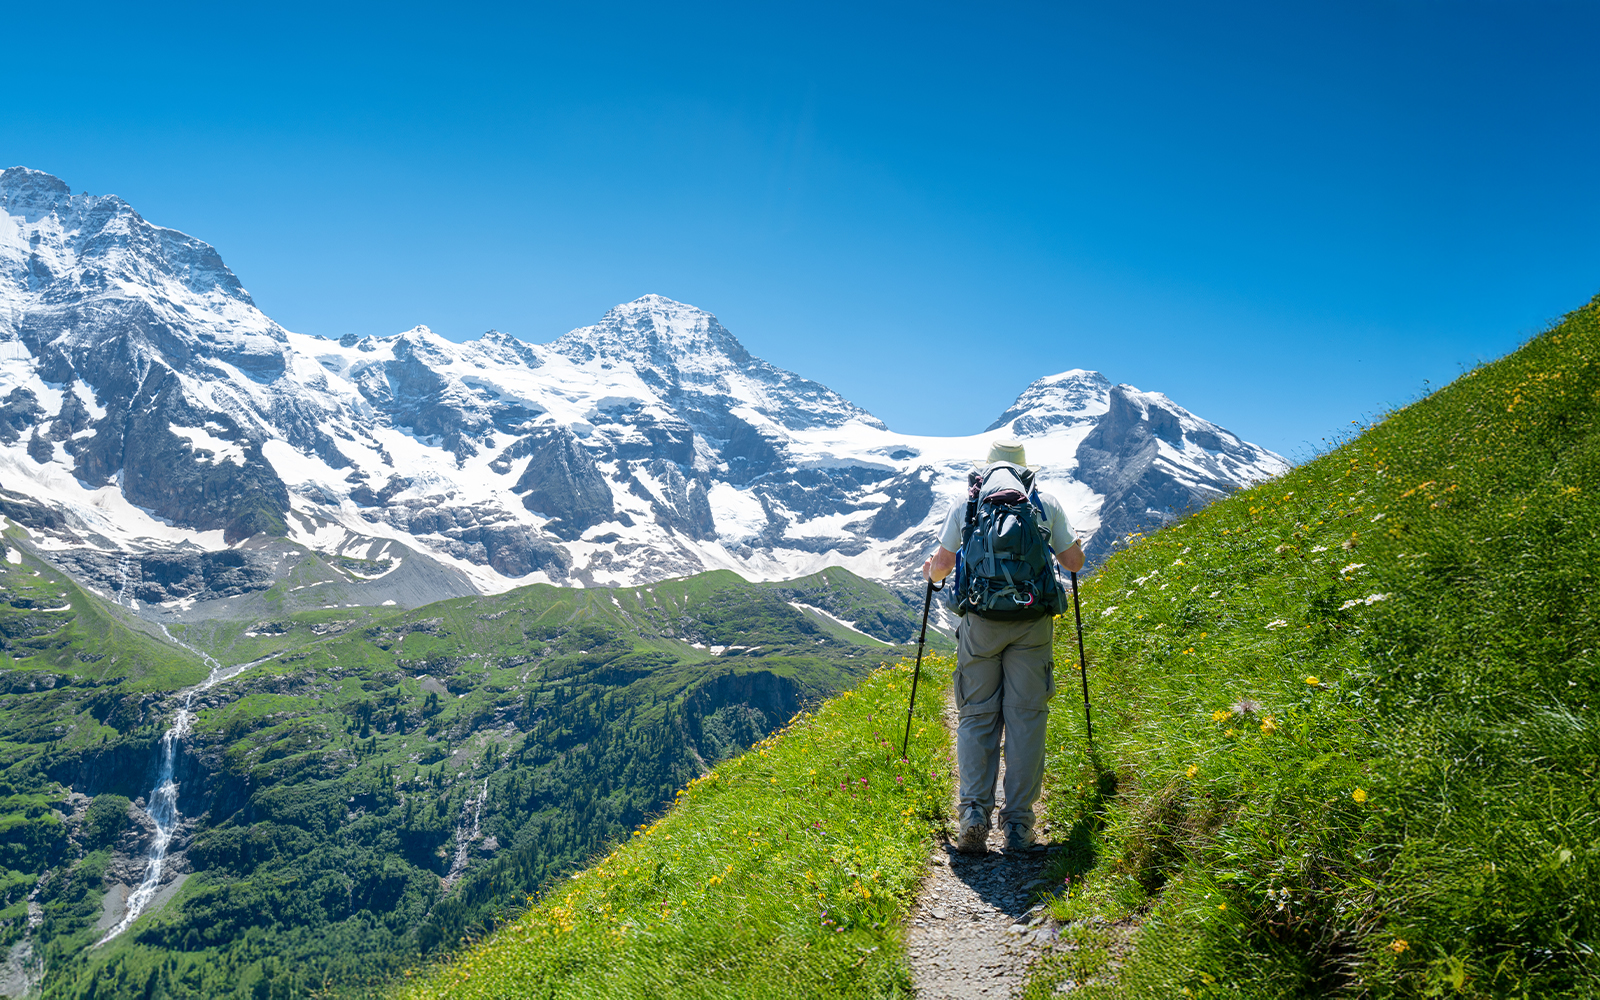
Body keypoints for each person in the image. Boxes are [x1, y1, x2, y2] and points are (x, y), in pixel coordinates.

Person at [922, 439, 1084, 853]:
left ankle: (973, 814)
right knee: (1027, 719)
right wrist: (1073, 544)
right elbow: (1073, 563)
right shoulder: (1044, 504)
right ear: (1024, 470)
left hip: (982, 623)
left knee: (976, 715)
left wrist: (930, 570)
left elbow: (941, 566)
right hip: (1033, 624)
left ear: (988, 469)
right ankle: (1018, 826)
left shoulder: (969, 505)